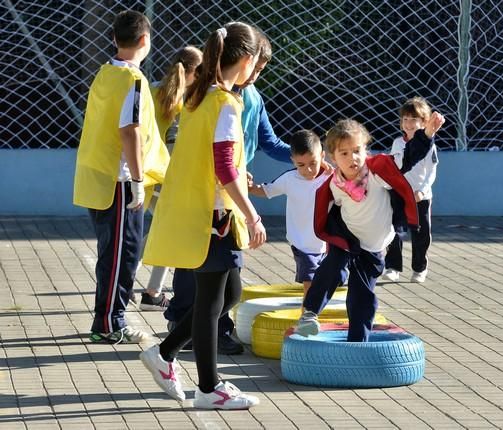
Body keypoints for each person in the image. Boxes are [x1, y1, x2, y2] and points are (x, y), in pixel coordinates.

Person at [139, 22, 265, 409]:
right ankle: (209, 389)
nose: (257, 71)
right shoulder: (224, 103)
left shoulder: (200, 96)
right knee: (212, 302)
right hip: (214, 218)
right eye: (258, 64)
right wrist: (253, 214)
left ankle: (164, 353)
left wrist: (234, 176)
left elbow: (212, 160)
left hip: (208, 212)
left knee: (231, 293)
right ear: (246, 61)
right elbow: (224, 167)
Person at [296, 114, 444, 342]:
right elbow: (325, 212)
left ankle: (358, 342)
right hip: (347, 239)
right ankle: (310, 314)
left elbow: (407, 158)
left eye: (357, 151)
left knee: (362, 296)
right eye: (344, 153)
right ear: (333, 158)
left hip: (373, 247)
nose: (352, 158)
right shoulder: (335, 185)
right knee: (332, 267)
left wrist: (426, 135)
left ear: (365, 151)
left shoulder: (378, 172)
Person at [73, 10, 169, 344]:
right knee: (122, 255)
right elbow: (129, 131)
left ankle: (109, 317)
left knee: (114, 252)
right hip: (120, 180)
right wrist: (139, 180)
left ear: (114, 39)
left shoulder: (104, 73)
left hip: (99, 176)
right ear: (145, 40)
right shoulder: (134, 80)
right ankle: (110, 322)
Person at [137, 45, 203, 312]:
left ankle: (151, 291)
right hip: (167, 175)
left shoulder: (151, 89)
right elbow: (177, 145)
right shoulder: (190, 100)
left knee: (162, 230)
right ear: (195, 72)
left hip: (143, 171)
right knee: (167, 231)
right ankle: (141, 285)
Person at [248, 130, 329, 297]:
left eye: (313, 163)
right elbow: (266, 190)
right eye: (301, 165)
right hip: (302, 244)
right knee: (310, 284)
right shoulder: (289, 179)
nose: (307, 170)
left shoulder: (332, 177)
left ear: (322, 156)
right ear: (293, 161)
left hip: (327, 244)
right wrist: (247, 187)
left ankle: (312, 315)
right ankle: (307, 318)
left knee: (323, 283)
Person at [383, 97, 439, 283]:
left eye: (413, 119)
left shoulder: (429, 144)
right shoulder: (397, 143)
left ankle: (419, 269)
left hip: (420, 198)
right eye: (405, 119)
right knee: (394, 231)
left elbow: (431, 172)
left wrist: (422, 191)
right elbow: (393, 168)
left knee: (421, 234)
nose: (408, 123)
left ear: (424, 122)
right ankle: (392, 267)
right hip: (399, 194)